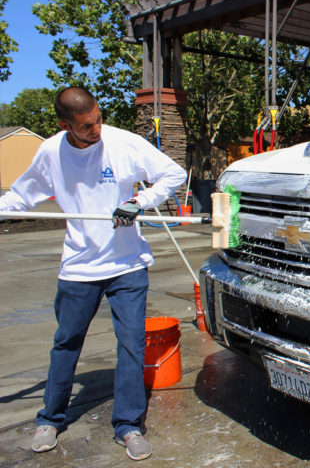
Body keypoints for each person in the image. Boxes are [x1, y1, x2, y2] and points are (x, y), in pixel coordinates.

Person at [0, 87, 187, 461]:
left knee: (131, 345)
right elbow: (21, 196)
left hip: (127, 266)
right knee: (66, 343)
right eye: (86, 126)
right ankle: (50, 419)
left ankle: (129, 426)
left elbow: (173, 173)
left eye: (99, 119)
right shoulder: (51, 152)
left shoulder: (122, 142)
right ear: (64, 125)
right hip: (79, 266)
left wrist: (139, 201)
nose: (97, 129)